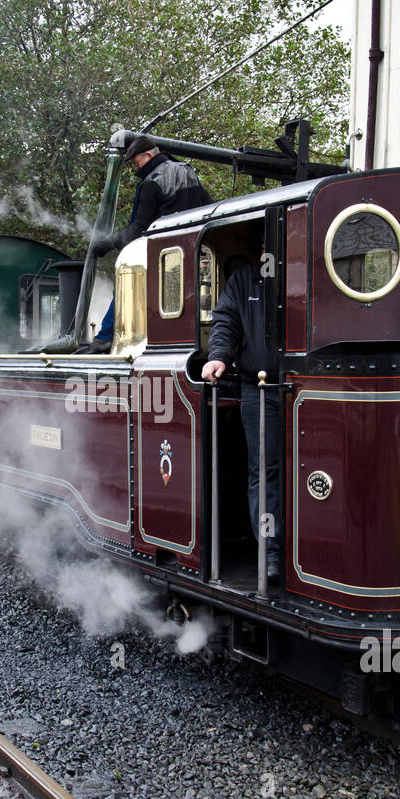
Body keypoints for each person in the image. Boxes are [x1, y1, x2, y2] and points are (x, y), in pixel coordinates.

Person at [82, 136, 213, 352]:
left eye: (136, 163)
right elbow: (208, 206)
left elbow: (138, 228)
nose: (135, 169)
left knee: (126, 285)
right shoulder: (188, 171)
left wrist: (107, 243)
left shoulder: (152, 181)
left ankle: (105, 338)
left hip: (159, 251)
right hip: (191, 251)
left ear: (149, 155)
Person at [201, 254, 282, 583]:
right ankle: (271, 552)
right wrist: (218, 356)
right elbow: (225, 322)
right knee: (265, 472)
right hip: (260, 388)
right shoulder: (243, 278)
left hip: (311, 386)